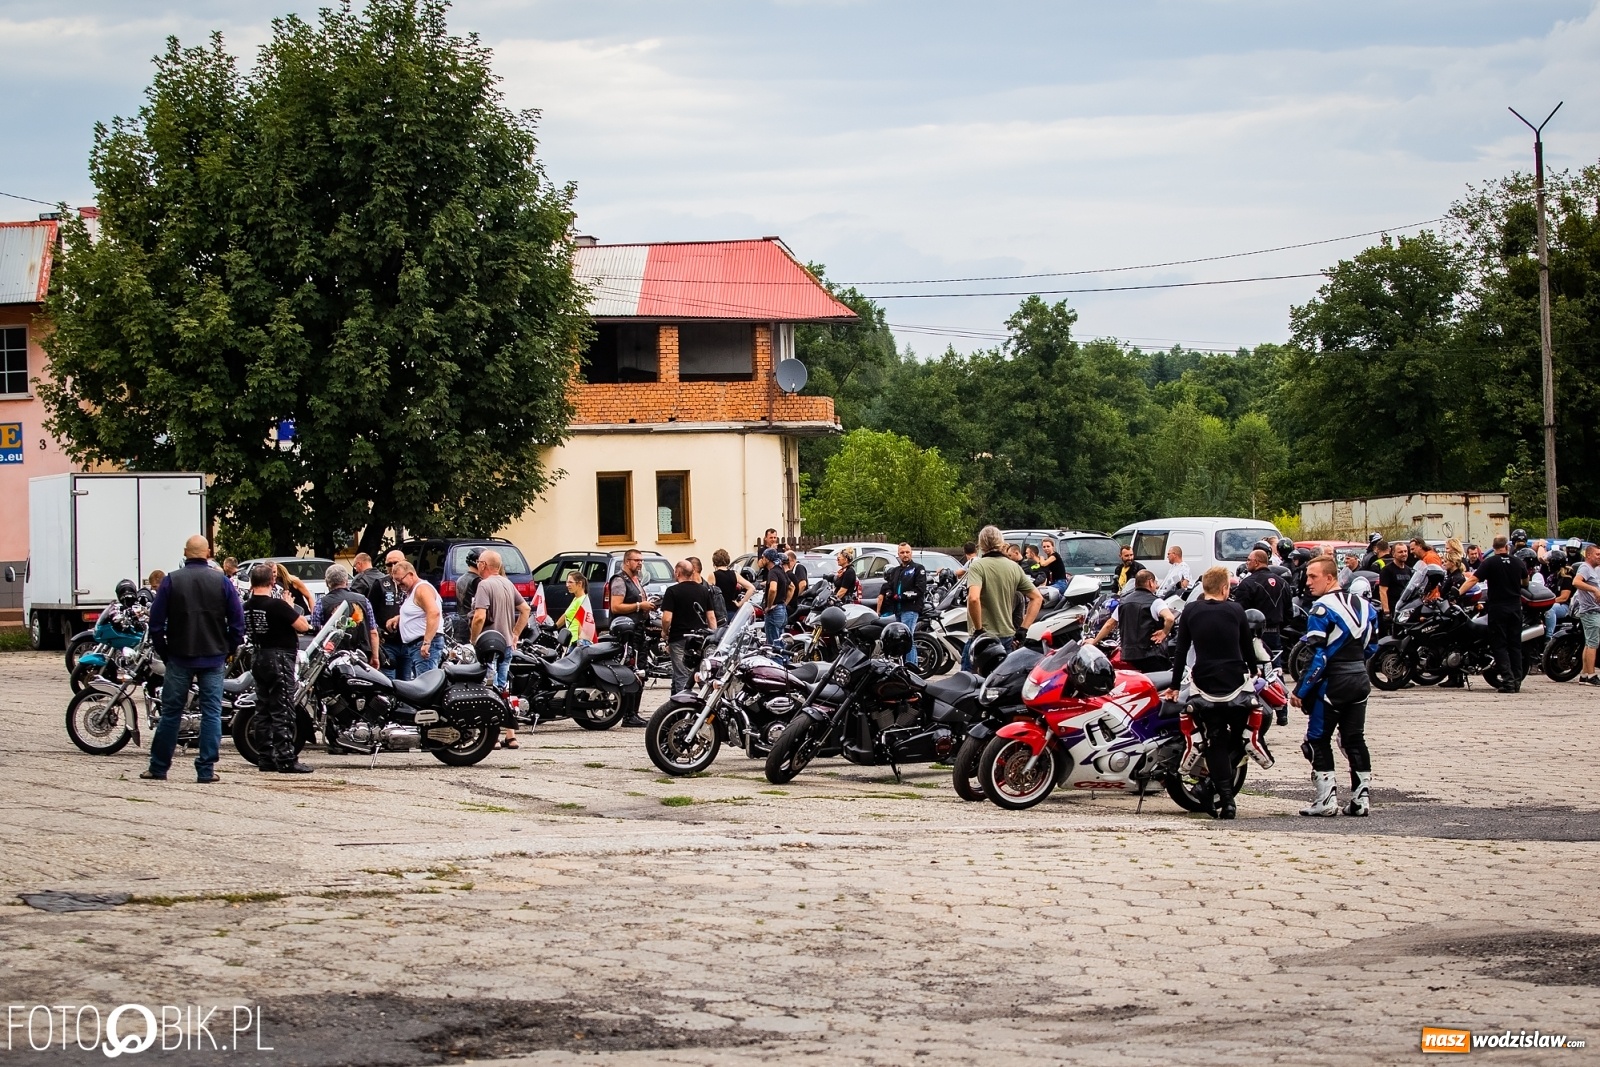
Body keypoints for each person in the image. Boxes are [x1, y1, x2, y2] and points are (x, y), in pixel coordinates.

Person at [141, 536, 245, 784]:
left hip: (179, 655)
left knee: (171, 713)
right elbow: (237, 622)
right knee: (211, 712)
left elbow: (155, 624)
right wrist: (227, 648)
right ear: (208, 553)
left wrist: (165, 651)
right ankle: (206, 769)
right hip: (213, 656)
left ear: (185, 553)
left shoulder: (171, 581)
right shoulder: (222, 582)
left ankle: (159, 767)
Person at [1160, 566, 1255, 819]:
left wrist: (1172, 685)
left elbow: (1180, 650)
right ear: (1225, 588)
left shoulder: (1191, 610)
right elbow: (1247, 646)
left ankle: (1226, 800)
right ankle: (1217, 790)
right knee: (1239, 738)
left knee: (1214, 738)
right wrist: (1255, 672)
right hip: (1235, 682)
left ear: (1204, 588)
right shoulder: (1236, 610)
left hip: (1205, 683)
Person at [1291, 557, 1378, 817]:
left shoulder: (1321, 608)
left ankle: (1326, 800)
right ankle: (1361, 801)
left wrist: (1300, 691)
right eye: (1307, 576)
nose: (1307, 582)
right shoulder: (1366, 607)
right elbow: (1372, 647)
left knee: (1317, 739)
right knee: (1354, 739)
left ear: (1330, 578)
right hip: (1360, 679)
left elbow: (1318, 656)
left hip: (1333, 683)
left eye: (1313, 577)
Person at [243, 561, 313, 773]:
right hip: (279, 657)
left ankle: (265, 757)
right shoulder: (277, 605)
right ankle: (285, 759)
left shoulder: (246, 606)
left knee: (263, 709)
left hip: (257, 656)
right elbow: (302, 626)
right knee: (282, 708)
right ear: (272, 581)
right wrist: (290, 607)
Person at [469, 549, 531, 746]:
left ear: (483, 565)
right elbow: (526, 609)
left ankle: (492, 735)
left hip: (489, 647)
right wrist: (515, 634)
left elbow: (479, 617)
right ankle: (510, 734)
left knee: (488, 690)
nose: (477, 565)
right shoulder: (507, 583)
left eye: (479, 562)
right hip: (506, 645)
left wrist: (473, 640)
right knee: (503, 688)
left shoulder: (484, 585)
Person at [1459, 535, 1529, 693]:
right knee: (1515, 645)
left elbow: (1473, 580)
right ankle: (1517, 681)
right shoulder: (1518, 562)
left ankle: (1508, 681)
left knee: (1499, 645)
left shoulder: (1489, 562)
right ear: (1507, 546)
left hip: (1498, 608)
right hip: (1515, 607)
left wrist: (1459, 592)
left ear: (1494, 546)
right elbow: (1525, 582)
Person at [965, 525, 1042, 652]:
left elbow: (973, 598)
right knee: (1002, 672)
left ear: (981, 544)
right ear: (1001, 542)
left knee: (969, 672)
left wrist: (978, 630)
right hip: (1007, 637)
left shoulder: (977, 566)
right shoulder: (1014, 567)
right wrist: (1023, 629)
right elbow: (1037, 598)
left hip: (983, 637)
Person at [1090, 569, 1175, 673]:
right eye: (1156, 582)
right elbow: (1170, 618)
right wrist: (1164, 632)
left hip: (1129, 655)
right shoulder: (1156, 601)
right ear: (1150, 582)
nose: (1156, 586)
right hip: (1151, 655)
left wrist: (1094, 642)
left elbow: (1109, 624)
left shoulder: (1123, 602)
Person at [607, 550, 656, 727]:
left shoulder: (636, 580)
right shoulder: (620, 580)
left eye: (641, 560)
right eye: (636, 560)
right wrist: (639, 605)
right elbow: (616, 606)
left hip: (638, 630)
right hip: (627, 634)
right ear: (627, 562)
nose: (640, 563)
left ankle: (633, 712)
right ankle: (628, 714)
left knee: (641, 671)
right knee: (632, 671)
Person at [659, 560, 717, 693]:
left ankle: (681, 707)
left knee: (681, 675)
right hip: (700, 639)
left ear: (678, 573)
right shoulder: (703, 590)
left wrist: (664, 632)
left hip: (679, 637)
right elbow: (711, 617)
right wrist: (713, 636)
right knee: (702, 673)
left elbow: (667, 618)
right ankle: (706, 702)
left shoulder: (672, 591)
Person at [310, 564, 380, 668]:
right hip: (361, 656)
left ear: (327, 582)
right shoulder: (364, 600)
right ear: (346, 581)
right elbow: (373, 632)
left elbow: (316, 633)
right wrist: (375, 657)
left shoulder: (321, 603)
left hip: (332, 657)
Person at [389, 559, 444, 681]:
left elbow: (434, 613)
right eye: (395, 581)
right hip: (415, 647)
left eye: (400, 580)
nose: (398, 584)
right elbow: (419, 611)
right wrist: (399, 618)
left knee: (427, 685)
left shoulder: (422, 589)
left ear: (411, 575)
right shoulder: (412, 591)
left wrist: (427, 642)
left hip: (424, 646)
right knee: (419, 685)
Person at [1231, 549, 1291, 656]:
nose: (1247, 563)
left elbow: (1239, 612)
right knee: (1274, 666)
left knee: (1255, 668)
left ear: (1257, 562)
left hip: (1254, 636)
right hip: (1275, 633)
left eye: (1249, 560)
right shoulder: (1283, 583)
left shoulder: (1247, 583)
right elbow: (1289, 611)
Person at [876, 542, 928, 667]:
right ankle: (903, 666)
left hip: (910, 608)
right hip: (897, 610)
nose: (905, 555)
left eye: (907, 552)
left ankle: (912, 667)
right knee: (900, 640)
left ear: (911, 553)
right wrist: (889, 593)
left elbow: (920, 589)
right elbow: (888, 586)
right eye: (902, 552)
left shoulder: (918, 568)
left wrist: (902, 596)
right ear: (898, 554)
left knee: (908, 638)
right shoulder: (896, 571)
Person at [371, 550, 407, 677]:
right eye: (389, 564)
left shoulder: (412, 584)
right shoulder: (380, 584)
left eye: (396, 563)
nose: (393, 567)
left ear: (405, 562)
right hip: (387, 643)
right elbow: (370, 612)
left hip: (408, 642)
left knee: (407, 683)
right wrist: (376, 631)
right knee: (389, 681)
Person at [1572, 544, 1600, 687]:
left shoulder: (1595, 570)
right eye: (1597, 554)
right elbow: (1576, 582)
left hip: (1595, 611)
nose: (1599, 557)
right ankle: (1591, 675)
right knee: (1593, 644)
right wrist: (1594, 590)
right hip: (1590, 611)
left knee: (1589, 643)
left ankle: (1584, 674)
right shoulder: (1585, 567)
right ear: (1588, 555)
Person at [760, 549, 791, 646]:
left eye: (763, 557)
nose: (762, 559)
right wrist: (785, 603)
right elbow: (792, 587)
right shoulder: (781, 570)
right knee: (781, 643)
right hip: (782, 610)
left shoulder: (772, 572)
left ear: (768, 559)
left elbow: (773, 589)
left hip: (774, 611)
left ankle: (777, 661)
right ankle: (784, 661)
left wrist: (769, 606)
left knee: (774, 645)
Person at [558, 571, 596, 647]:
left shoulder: (582, 601)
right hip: (570, 640)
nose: (567, 585)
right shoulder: (576, 598)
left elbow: (582, 624)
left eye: (570, 582)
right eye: (567, 582)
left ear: (579, 584)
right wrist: (555, 626)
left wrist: (579, 642)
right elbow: (566, 614)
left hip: (575, 642)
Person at [1376, 541, 1413, 618]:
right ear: (1393, 554)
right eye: (1400, 552)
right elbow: (1383, 591)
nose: (1404, 554)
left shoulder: (1409, 570)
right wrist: (1386, 611)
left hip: (1405, 609)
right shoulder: (1387, 570)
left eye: (1405, 551)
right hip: (1393, 608)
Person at [453, 547, 484, 638]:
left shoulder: (461, 578)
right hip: (472, 623)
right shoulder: (477, 581)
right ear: (477, 562)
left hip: (461, 622)